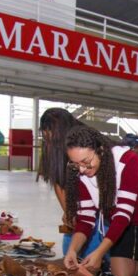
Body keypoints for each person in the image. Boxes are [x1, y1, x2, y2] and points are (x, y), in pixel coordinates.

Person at [62, 125, 138, 276]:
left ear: (100, 150)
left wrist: (100, 252)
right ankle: (137, 258)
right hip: (123, 226)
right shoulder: (80, 172)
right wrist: (72, 250)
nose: (82, 169)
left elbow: (123, 213)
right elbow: (85, 219)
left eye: (86, 161)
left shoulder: (127, 161)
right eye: (76, 164)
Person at [38, 108, 84, 256]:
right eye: (46, 136)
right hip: (79, 201)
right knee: (69, 253)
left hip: (100, 204)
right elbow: (58, 182)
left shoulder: (84, 141)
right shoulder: (52, 145)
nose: (49, 141)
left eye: (52, 136)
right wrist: (69, 212)